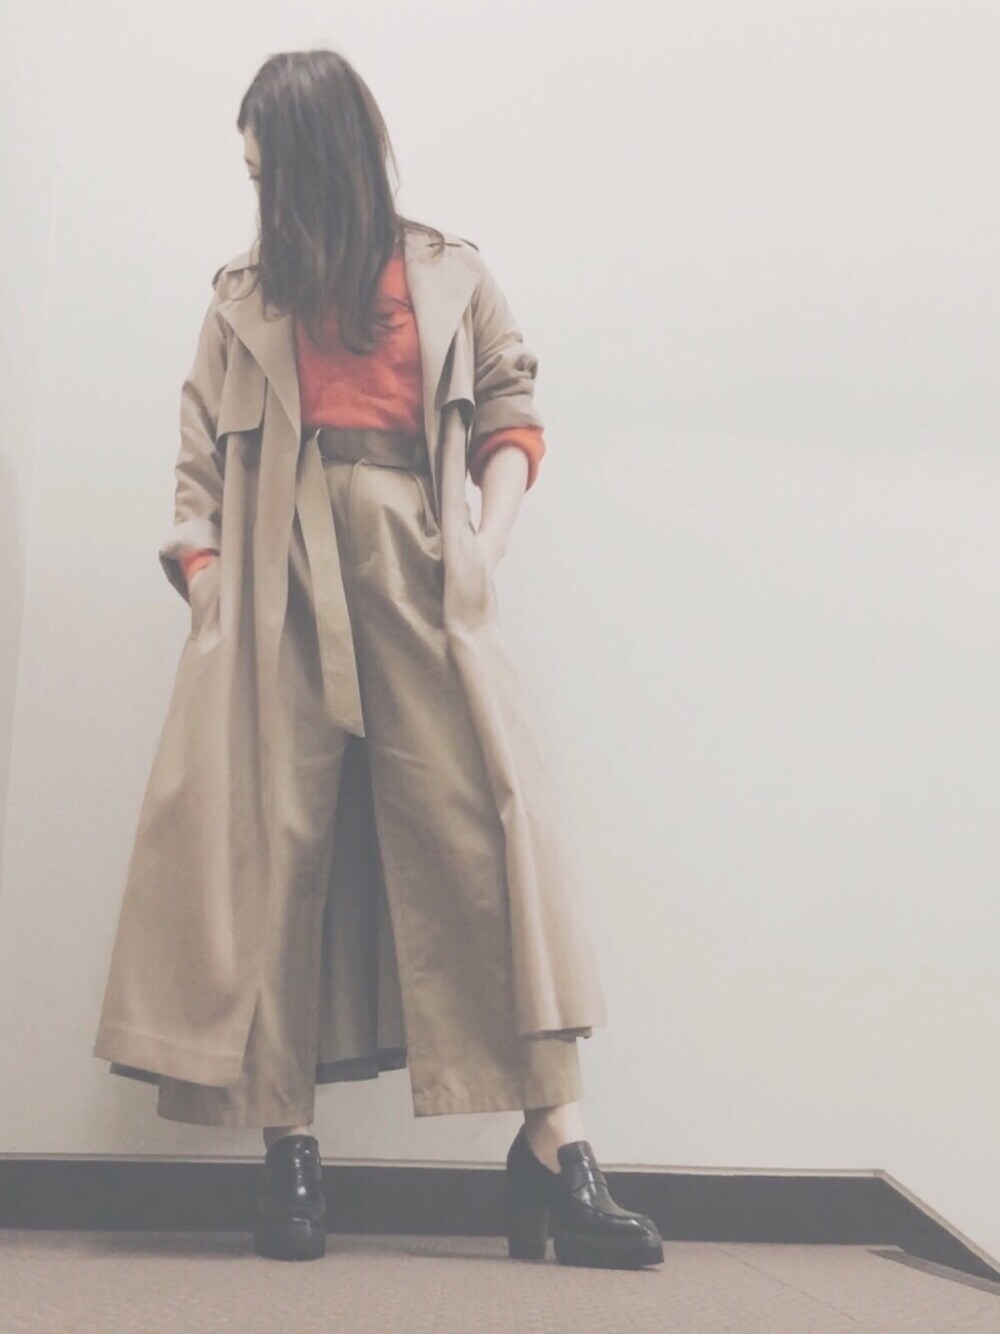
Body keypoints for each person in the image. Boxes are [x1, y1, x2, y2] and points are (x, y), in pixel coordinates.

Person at [93, 47, 663, 1270]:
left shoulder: (449, 273)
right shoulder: (241, 301)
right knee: (275, 853)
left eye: (269, 171)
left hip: (418, 577)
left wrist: (481, 547)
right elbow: (195, 471)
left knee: (484, 835)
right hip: (276, 590)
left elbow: (511, 405)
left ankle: (555, 1143)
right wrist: (213, 592)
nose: (258, 195)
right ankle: (289, 1146)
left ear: (322, 162)